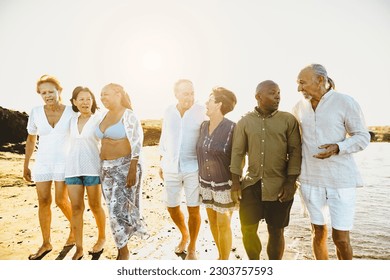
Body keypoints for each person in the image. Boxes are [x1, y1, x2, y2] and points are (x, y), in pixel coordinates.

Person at [293, 64, 370, 260]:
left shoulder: (345, 102)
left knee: (341, 239)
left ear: (321, 80)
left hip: (341, 181)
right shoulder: (298, 107)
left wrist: (338, 147)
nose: (299, 88)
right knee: (317, 233)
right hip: (309, 180)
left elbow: (362, 137)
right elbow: (293, 142)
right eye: (298, 83)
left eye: (302, 82)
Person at [230, 80, 302, 260]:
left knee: (276, 232)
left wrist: (290, 183)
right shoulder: (244, 122)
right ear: (258, 97)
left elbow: (295, 152)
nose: (278, 96)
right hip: (251, 185)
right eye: (272, 92)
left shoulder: (288, 120)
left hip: (280, 187)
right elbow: (238, 153)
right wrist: (235, 183)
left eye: (279, 92)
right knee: (247, 230)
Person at [23, 74, 75, 260]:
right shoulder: (36, 112)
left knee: (61, 201)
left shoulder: (71, 111)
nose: (47, 95)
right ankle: (46, 243)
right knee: (44, 201)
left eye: (50, 91)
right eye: (43, 93)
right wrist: (26, 164)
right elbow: (31, 139)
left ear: (59, 91)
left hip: (64, 162)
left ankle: (76, 228)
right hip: (43, 162)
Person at [96, 83, 147, 260]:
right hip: (105, 169)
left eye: (106, 94)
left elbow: (137, 142)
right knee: (112, 210)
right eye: (101, 95)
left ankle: (123, 251)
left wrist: (133, 168)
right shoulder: (102, 116)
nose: (102, 98)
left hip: (125, 167)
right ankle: (122, 246)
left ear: (118, 94)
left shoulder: (128, 115)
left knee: (118, 210)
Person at [159, 79, 207, 260]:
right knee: (172, 207)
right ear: (176, 94)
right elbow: (165, 137)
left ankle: (192, 246)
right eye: (186, 93)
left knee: (194, 209)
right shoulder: (169, 111)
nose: (190, 97)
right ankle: (184, 234)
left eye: (192, 93)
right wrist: (161, 161)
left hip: (193, 167)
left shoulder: (201, 110)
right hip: (171, 165)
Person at [64, 86, 106, 260]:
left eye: (88, 98)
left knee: (95, 206)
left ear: (92, 101)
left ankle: (102, 237)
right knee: (76, 209)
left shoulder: (99, 119)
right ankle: (79, 247)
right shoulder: (71, 120)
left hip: (93, 168)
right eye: (81, 99)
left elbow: (108, 140)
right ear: (74, 102)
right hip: (72, 169)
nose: (85, 102)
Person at [196, 87, 237, 260]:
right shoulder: (203, 126)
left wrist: (237, 185)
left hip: (224, 185)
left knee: (223, 224)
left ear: (219, 104)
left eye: (210, 99)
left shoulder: (232, 128)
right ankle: (220, 256)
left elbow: (238, 159)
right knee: (212, 222)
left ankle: (224, 262)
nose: (206, 103)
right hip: (205, 183)